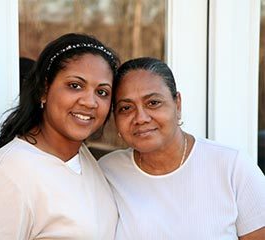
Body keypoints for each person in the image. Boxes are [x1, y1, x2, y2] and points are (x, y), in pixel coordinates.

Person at [0, 33, 120, 239]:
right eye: (75, 86)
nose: (90, 102)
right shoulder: (5, 176)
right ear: (44, 90)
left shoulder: (83, 158)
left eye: (102, 92)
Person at [99, 57, 265, 240]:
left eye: (153, 103)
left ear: (177, 104)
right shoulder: (108, 172)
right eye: (126, 108)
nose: (141, 118)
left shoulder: (232, 166)